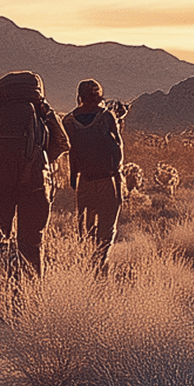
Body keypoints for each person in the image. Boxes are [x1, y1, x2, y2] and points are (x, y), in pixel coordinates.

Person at [0, 69, 67, 273]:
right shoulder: (41, 115)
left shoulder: (1, 115)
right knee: (32, 244)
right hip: (36, 186)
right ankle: (30, 295)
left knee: (2, 240)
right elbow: (63, 143)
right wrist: (42, 160)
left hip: (1, 186)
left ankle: (2, 287)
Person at [66, 79, 130, 270]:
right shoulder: (107, 117)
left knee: (87, 230)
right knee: (107, 230)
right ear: (100, 96)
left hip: (84, 181)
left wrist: (73, 176)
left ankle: (89, 266)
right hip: (109, 180)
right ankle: (100, 267)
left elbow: (71, 150)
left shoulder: (68, 121)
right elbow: (118, 146)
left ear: (80, 97)